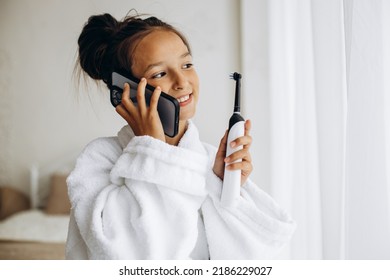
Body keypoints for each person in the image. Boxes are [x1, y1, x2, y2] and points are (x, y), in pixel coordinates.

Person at [66, 12, 295, 260]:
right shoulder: (99, 159)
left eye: (186, 65)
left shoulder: (207, 159)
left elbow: (250, 256)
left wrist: (222, 188)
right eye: (159, 74)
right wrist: (152, 150)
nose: (182, 81)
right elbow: (128, 257)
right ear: (126, 90)